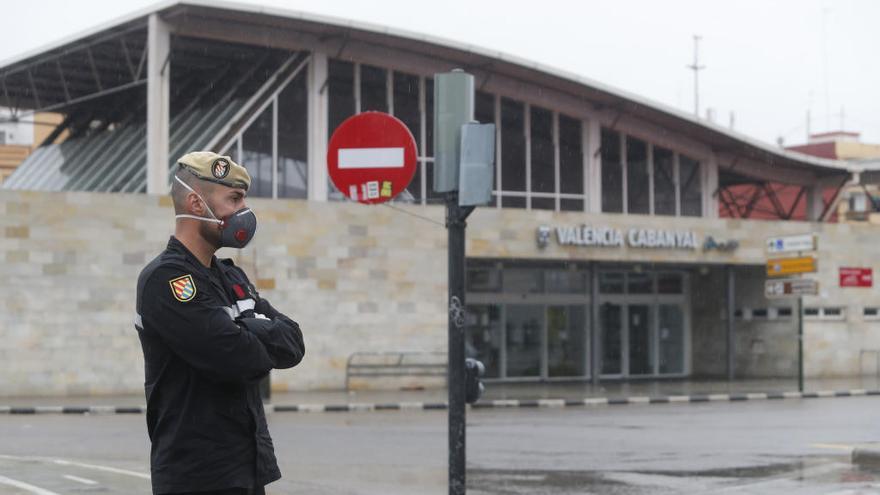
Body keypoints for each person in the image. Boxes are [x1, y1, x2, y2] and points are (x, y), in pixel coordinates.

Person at [134, 151, 305, 495]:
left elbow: (293, 343)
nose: (244, 211)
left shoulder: (230, 275)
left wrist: (246, 329)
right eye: (235, 199)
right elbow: (239, 360)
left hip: (246, 468)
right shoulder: (166, 279)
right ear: (197, 204)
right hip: (197, 476)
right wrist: (253, 324)